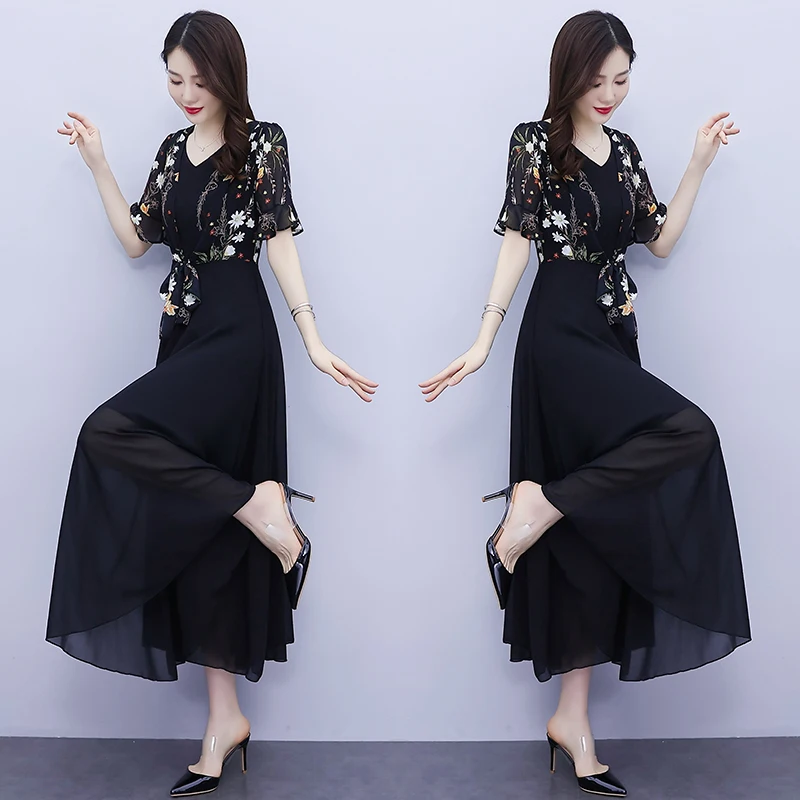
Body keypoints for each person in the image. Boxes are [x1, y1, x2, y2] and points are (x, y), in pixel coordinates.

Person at [46, 10, 378, 797]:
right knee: (200, 525)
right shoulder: (171, 151)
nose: (188, 93)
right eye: (174, 80)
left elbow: (280, 239)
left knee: (105, 431)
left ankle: (253, 505)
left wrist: (312, 339)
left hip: (238, 341)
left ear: (228, 75)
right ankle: (224, 717)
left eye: (200, 80)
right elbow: (139, 240)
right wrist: (99, 165)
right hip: (183, 338)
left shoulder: (261, 144)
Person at [420, 10, 750, 797]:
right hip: (558, 341)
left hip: (613, 339)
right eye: (596, 80)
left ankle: (572, 717)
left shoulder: (625, 151)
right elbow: (516, 240)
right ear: (567, 76)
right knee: (692, 431)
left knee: (595, 526)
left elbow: (657, 241)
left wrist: (698, 164)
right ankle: (543, 505)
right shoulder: (535, 144)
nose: (608, 93)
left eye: (622, 80)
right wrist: (483, 339)